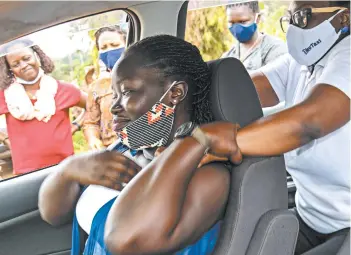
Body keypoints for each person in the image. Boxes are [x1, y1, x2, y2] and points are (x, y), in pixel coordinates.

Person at [39, 34, 239, 255]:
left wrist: (189, 144)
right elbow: (53, 215)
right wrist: (69, 170)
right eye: (114, 95)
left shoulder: (208, 176)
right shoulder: (126, 147)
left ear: (175, 93)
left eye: (126, 92)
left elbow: (131, 241)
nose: (114, 107)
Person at [202, 1, 350, 254]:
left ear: (343, 18)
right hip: (309, 217)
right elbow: (239, 90)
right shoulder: (301, 63)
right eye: (290, 18)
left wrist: (217, 146)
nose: (293, 27)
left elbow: (309, 122)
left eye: (302, 16)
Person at [0, 39, 87, 175]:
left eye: (26, 58)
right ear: (10, 69)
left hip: (65, 169)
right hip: (25, 175)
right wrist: (5, 139)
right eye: (16, 64)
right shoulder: (5, 97)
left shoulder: (63, 89)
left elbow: (93, 104)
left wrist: (76, 125)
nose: (23, 65)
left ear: (37, 55)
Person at [83, 25, 127, 150]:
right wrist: (93, 139)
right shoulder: (98, 87)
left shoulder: (146, 77)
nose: (110, 51)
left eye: (114, 45)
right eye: (103, 48)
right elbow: (91, 123)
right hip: (114, 150)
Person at [222, 0, 287, 71]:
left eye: (242, 21)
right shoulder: (228, 56)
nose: (236, 28)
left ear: (257, 18)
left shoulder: (275, 49)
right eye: (231, 22)